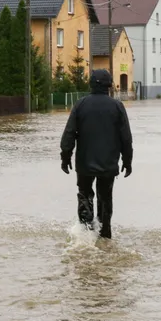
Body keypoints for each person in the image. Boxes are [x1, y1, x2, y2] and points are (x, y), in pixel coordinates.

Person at [60, 69, 133, 239]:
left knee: (85, 194)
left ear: (91, 85)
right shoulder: (117, 106)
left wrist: (65, 157)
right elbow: (126, 138)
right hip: (108, 164)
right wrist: (127, 161)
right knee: (105, 196)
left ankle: (85, 233)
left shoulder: (80, 105)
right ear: (109, 86)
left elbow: (69, 134)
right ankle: (105, 232)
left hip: (84, 163)